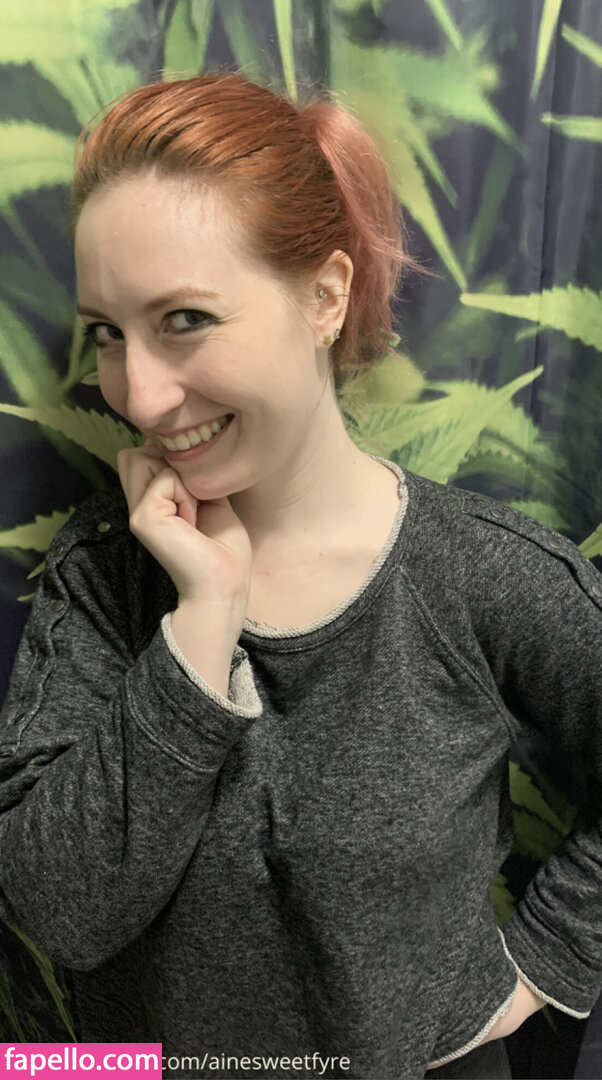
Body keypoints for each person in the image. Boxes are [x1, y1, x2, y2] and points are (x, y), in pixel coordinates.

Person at [0, 71, 600, 1080]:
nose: (137, 395)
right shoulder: (104, 574)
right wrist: (201, 619)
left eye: (185, 319)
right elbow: (62, 911)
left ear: (324, 297)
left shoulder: (475, 575)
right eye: (108, 332)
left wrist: (543, 964)